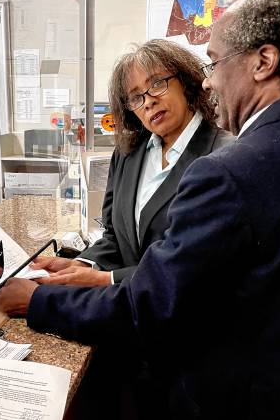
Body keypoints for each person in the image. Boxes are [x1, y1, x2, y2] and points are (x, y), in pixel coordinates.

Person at [0, 0, 280, 420]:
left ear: (263, 62)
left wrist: (37, 302)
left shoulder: (227, 171)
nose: (208, 81)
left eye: (215, 61)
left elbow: (149, 309)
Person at [33, 39, 232, 287]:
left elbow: (195, 261)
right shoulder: (128, 153)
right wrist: (83, 264)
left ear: (186, 82)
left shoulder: (224, 155)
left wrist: (106, 279)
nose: (148, 102)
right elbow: (115, 237)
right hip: (128, 309)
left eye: (157, 84)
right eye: (136, 97)